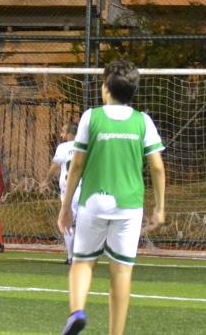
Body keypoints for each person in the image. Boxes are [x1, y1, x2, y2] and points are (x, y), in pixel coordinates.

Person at [57, 59, 166, 335]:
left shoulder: (91, 117)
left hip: (93, 203)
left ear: (106, 87)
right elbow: (157, 167)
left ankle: (77, 311)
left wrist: (65, 206)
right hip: (129, 207)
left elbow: (77, 165)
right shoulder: (143, 121)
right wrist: (160, 208)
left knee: (83, 262)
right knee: (121, 272)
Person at [47, 120, 80, 264]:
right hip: (85, 189)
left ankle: (71, 257)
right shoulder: (86, 146)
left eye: (63, 132)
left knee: (68, 222)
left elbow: (55, 165)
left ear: (69, 134)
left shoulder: (63, 147)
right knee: (82, 223)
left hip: (69, 190)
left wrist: (46, 180)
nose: (61, 135)